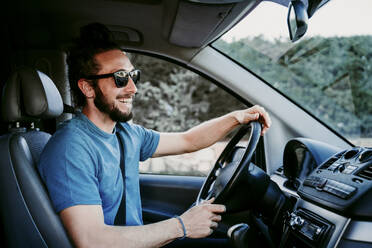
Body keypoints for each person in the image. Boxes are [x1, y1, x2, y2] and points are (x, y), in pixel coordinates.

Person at [38, 23, 271, 248]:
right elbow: (92, 241)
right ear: (88, 88)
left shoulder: (125, 134)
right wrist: (182, 226)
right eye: (120, 77)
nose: (133, 88)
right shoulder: (71, 148)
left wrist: (236, 118)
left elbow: (187, 141)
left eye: (133, 76)